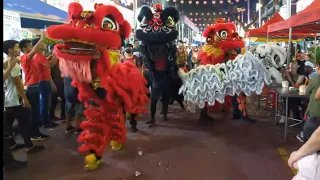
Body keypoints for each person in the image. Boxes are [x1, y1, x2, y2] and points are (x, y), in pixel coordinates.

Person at [19, 32, 50, 141]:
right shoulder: (25, 58)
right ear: (24, 48)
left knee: (35, 112)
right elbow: (35, 51)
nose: (32, 48)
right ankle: (34, 134)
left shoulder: (30, 58)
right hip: (31, 88)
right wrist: (42, 37)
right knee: (34, 113)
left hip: (34, 87)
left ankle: (36, 133)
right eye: (30, 46)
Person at [33, 38, 59, 128]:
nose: (44, 44)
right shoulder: (39, 55)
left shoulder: (40, 56)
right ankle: (46, 122)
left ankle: (46, 120)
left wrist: (52, 56)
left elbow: (46, 64)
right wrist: (56, 54)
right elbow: (50, 65)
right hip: (43, 82)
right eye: (42, 43)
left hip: (44, 81)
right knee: (45, 103)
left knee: (46, 103)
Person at [120, 43, 140, 132]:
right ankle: (122, 125)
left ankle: (133, 125)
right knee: (123, 107)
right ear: (124, 49)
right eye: (127, 47)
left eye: (130, 47)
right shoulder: (121, 59)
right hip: (123, 86)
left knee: (133, 106)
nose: (129, 48)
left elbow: (140, 70)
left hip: (134, 86)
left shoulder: (136, 59)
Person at [49, 45, 66, 121]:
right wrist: (52, 83)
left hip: (62, 82)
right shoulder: (50, 60)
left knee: (64, 99)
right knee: (53, 101)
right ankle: (51, 116)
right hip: (54, 83)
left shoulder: (63, 59)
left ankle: (63, 115)